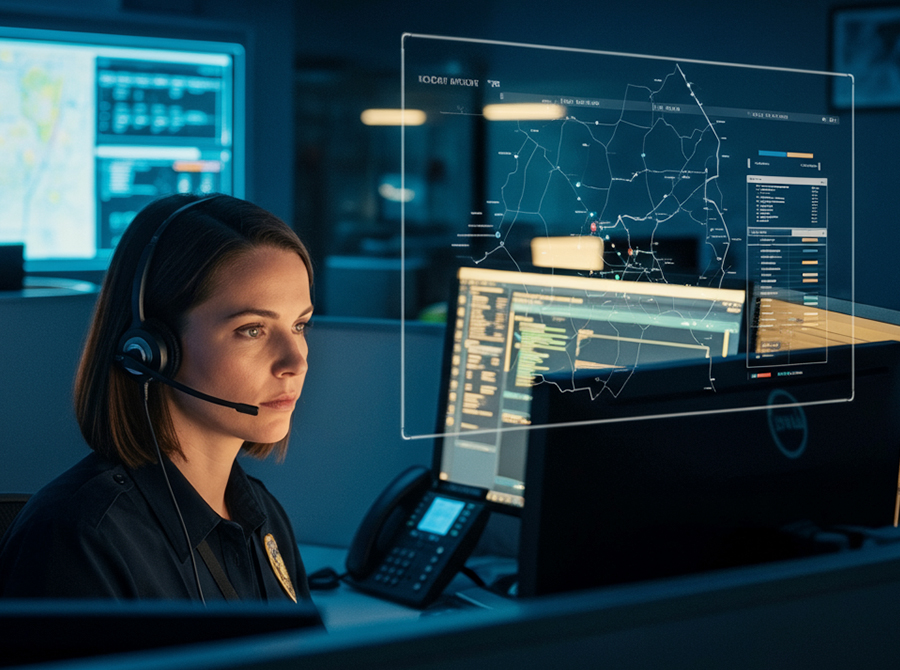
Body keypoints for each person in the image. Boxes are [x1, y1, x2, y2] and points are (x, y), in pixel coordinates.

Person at [0, 193, 314, 603]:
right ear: (151, 351)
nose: (295, 362)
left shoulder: (261, 513)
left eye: (300, 325)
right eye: (252, 330)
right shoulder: (79, 539)